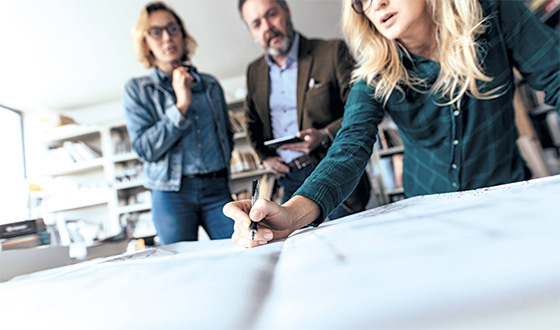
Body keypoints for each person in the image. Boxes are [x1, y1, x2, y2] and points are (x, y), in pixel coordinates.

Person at [225, 0, 560, 248]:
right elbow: (349, 148)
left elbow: (556, 77)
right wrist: (291, 216)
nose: (377, 4)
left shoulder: (494, 13)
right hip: (431, 220)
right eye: (362, 1)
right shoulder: (374, 76)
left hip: (508, 202)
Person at [238, 0, 371, 220]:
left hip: (331, 170)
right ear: (251, 31)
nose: (267, 27)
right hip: (289, 179)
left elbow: (361, 108)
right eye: (256, 23)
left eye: (271, 14)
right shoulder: (254, 71)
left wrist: (325, 134)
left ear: (286, 11)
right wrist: (264, 157)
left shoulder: (331, 52)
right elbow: (252, 122)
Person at [123, 1, 235, 244]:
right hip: (171, 193)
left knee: (242, 248)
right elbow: (146, 149)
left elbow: (226, 135)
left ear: (183, 34)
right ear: (145, 42)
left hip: (217, 189)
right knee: (180, 265)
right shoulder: (138, 90)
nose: (167, 37)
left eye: (173, 29)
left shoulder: (210, 85)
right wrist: (181, 105)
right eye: (155, 31)